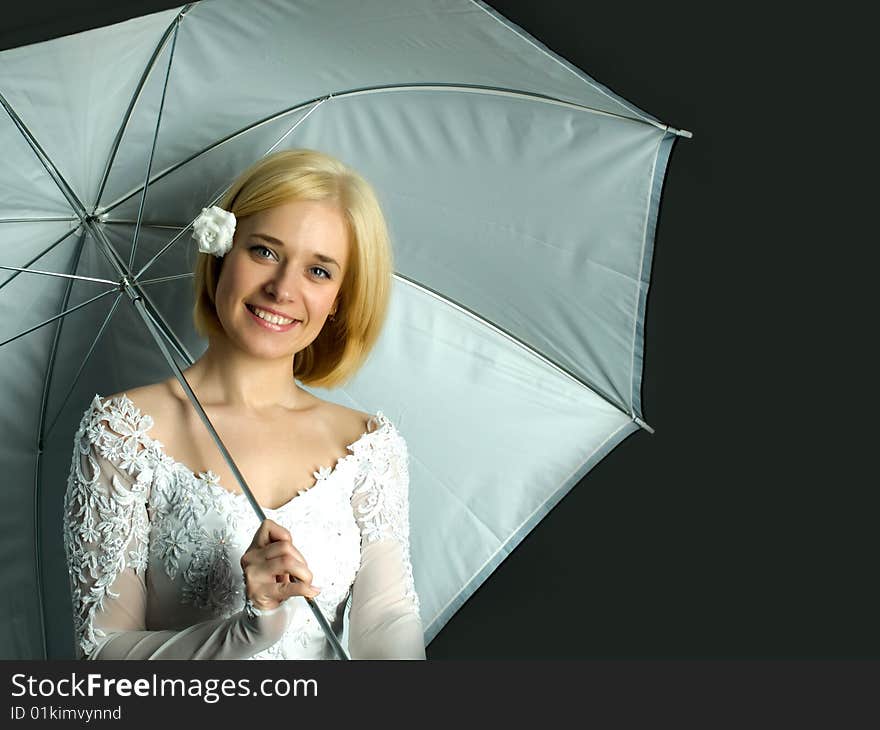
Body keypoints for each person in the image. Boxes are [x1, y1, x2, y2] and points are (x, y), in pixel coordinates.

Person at [61, 149, 425, 660]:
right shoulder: (123, 433)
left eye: (319, 271)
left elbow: (389, 622)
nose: (281, 290)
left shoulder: (368, 447)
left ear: (340, 297)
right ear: (222, 253)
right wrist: (248, 630)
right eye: (265, 252)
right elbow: (101, 657)